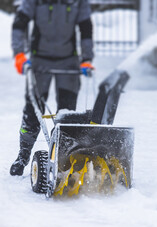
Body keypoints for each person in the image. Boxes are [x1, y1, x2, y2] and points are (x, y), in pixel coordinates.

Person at [10, 0, 94, 176]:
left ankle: (64, 159)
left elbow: (86, 27)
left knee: (67, 114)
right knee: (33, 111)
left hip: (68, 62)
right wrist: (19, 54)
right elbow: (20, 22)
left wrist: (86, 58)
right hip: (40, 61)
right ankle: (23, 156)